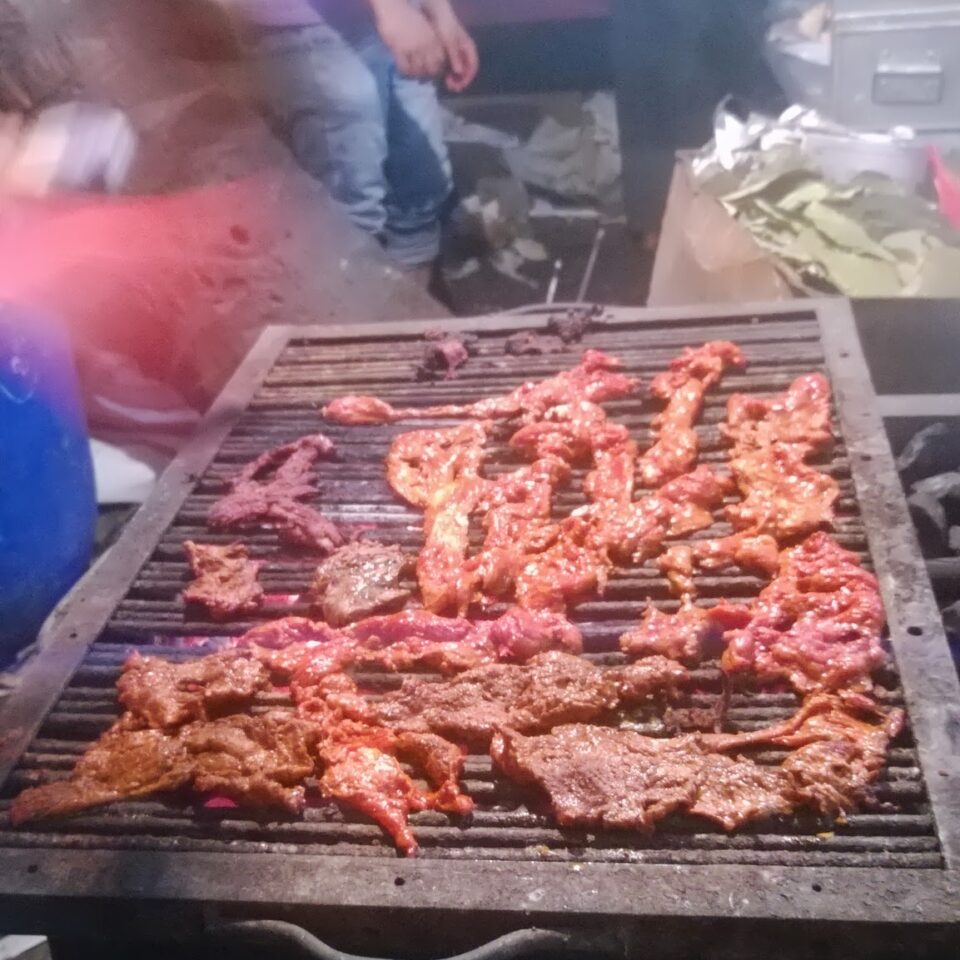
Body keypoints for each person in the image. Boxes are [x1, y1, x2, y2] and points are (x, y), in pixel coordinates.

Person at [237, 0, 478, 270]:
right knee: (351, 203)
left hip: (402, 21)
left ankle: (409, 279)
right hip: (308, 25)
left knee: (422, 185)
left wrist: (441, 14)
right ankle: (348, 277)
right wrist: (391, 9)